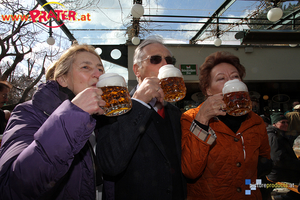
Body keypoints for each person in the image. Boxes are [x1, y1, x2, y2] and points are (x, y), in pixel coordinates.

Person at [0, 44, 106, 200]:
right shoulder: (28, 112)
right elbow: (14, 187)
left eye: (101, 69)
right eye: (86, 67)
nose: (98, 74)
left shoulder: (103, 117)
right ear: (62, 79)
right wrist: (74, 114)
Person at [96, 35, 187, 200]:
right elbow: (110, 165)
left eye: (169, 60)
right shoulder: (112, 109)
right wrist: (137, 103)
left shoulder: (175, 113)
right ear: (137, 70)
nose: (165, 64)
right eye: (156, 59)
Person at [180, 51, 271, 199]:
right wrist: (202, 119)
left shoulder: (256, 121)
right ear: (208, 90)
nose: (230, 82)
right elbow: (191, 171)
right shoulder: (191, 118)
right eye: (221, 78)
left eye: (235, 77)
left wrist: (249, 190)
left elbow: (264, 162)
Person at [267, 112, 300, 200]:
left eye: (287, 122)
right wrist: (297, 165)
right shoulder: (273, 136)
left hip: (281, 170)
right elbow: (278, 159)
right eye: (282, 122)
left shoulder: (279, 134)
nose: (286, 124)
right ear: (274, 123)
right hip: (278, 173)